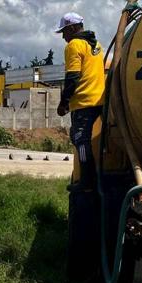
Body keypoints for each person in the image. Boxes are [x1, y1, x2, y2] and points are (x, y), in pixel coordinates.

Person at [55, 12, 106, 190]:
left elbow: (72, 77)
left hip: (83, 102)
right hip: (100, 100)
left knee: (81, 141)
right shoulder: (97, 45)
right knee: (88, 140)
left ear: (72, 28)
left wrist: (64, 103)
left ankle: (87, 181)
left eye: (64, 32)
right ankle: (94, 177)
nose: (63, 37)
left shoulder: (74, 45)